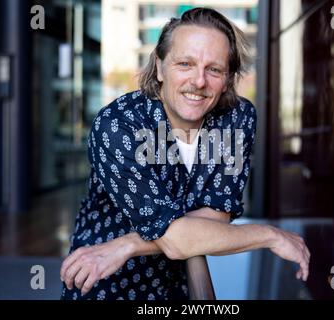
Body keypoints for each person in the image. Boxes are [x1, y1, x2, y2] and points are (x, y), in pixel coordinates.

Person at [60, 7, 310, 300]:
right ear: (159, 67)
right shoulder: (119, 125)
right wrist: (269, 235)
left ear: (228, 78)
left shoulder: (236, 118)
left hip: (172, 280)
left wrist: (127, 244)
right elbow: (176, 239)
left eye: (214, 69)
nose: (199, 81)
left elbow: (215, 216)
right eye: (185, 64)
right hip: (105, 277)